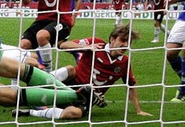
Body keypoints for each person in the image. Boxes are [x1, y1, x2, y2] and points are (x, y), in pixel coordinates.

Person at [13, 23, 152, 120]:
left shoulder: (125, 62)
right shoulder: (96, 43)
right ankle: (35, 85)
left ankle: (32, 112)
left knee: (74, 114)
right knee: (70, 69)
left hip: (84, 98)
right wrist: (87, 46)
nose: (125, 45)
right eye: (123, 40)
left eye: (128, 42)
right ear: (112, 39)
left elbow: (131, 86)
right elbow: (62, 45)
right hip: (69, 85)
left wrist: (138, 110)